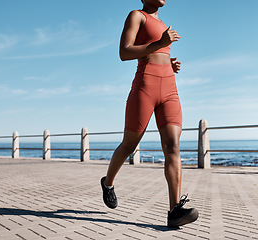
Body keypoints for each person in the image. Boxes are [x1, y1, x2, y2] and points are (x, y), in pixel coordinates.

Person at [100, 0, 198, 228]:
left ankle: (175, 210)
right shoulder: (137, 16)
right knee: (129, 145)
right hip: (145, 86)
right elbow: (124, 52)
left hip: (170, 88)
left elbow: (157, 51)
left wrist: (167, 62)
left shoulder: (162, 22)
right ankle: (108, 183)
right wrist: (160, 44)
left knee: (173, 145)